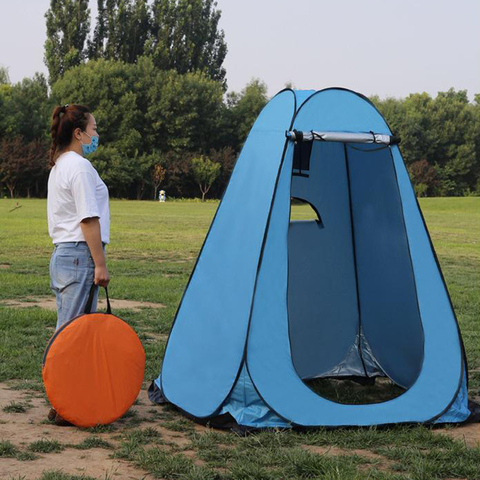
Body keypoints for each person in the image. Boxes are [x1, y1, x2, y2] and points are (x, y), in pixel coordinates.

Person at [47, 103, 110, 425]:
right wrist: (99, 264)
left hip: (63, 255)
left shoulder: (60, 165)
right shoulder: (80, 167)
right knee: (72, 335)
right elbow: (88, 218)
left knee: (68, 330)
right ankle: (62, 403)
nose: (96, 134)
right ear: (78, 133)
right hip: (79, 255)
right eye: (94, 129)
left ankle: (64, 399)